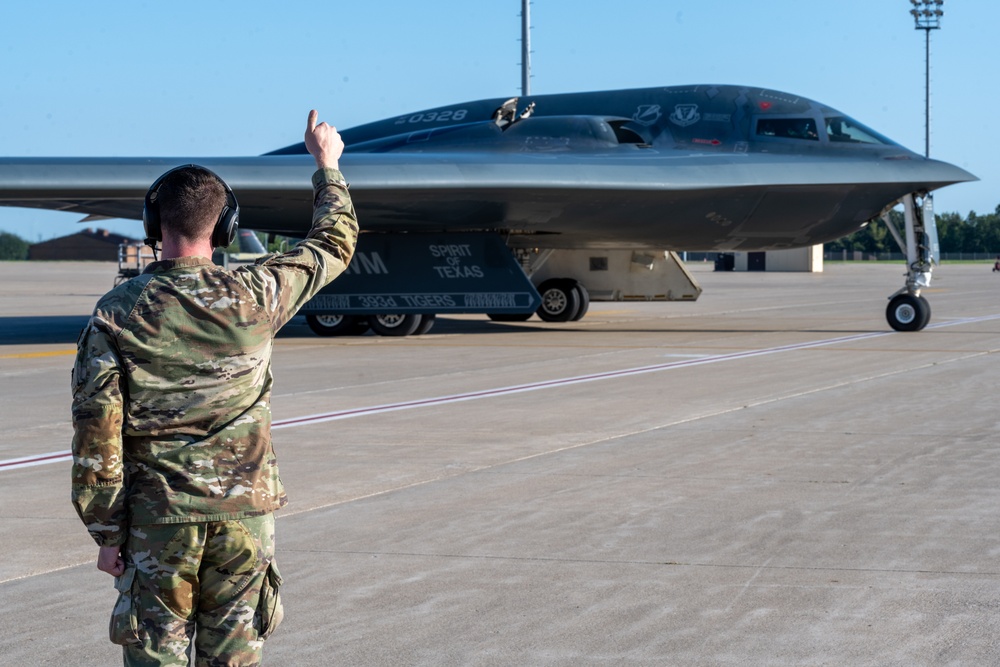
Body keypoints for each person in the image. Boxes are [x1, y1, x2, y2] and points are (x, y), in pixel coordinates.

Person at [70, 110, 358, 666]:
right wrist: (327, 165)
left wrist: (106, 529)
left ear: (154, 225)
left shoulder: (118, 312)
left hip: (157, 522)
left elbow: (95, 431)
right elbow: (334, 242)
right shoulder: (259, 291)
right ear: (225, 226)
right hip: (244, 520)